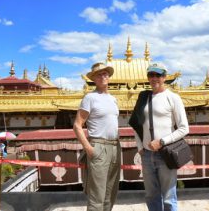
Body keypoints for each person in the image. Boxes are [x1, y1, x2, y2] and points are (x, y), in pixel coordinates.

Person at [129, 62, 189, 211]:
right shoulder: (143, 97)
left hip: (166, 153)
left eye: (158, 75)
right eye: (151, 75)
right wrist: (140, 146)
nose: (154, 78)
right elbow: (136, 124)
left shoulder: (173, 98)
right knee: (151, 195)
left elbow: (184, 128)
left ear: (165, 77)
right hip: (147, 155)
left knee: (169, 197)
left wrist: (162, 142)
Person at [73, 62, 121, 211]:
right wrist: (88, 148)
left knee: (111, 192)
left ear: (109, 76)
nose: (103, 76)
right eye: (99, 74)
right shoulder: (90, 98)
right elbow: (77, 125)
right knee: (97, 195)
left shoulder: (113, 99)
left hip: (115, 146)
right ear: (93, 78)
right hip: (98, 146)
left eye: (105, 73)